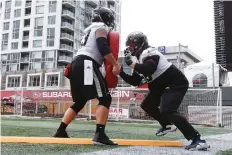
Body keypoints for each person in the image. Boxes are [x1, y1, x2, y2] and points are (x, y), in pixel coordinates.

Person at [119, 31, 210, 150]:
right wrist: (120, 72)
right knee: (147, 105)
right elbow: (136, 81)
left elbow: (149, 69)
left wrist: (131, 64)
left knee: (168, 111)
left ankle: (197, 139)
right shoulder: (140, 59)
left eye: (131, 45)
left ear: (138, 44)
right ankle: (167, 125)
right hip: (161, 85)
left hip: (175, 83)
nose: (130, 49)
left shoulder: (150, 52)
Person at [53, 7, 121, 146]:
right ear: (104, 18)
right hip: (87, 63)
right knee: (105, 97)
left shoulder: (89, 29)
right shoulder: (100, 27)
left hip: (76, 64)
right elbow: (102, 46)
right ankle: (99, 135)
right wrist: (115, 64)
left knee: (79, 101)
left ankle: (60, 131)